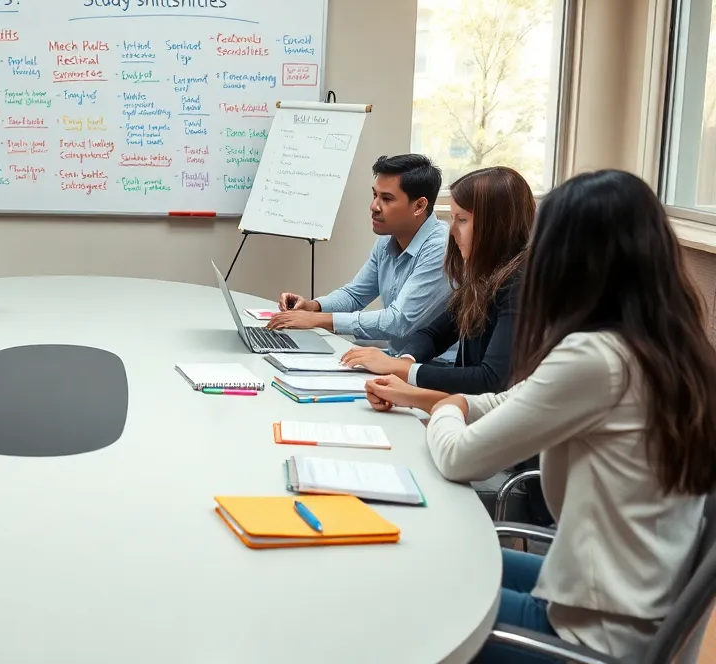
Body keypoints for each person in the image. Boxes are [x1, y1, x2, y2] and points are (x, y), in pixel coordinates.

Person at [375, 170, 716, 663]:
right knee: (434, 559)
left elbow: (458, 458)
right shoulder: (668, 348)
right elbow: (517, 398)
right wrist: (436, 398)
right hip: (622, 603)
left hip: (589, 633)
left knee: (406, 601)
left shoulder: (596, 358)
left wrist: (444, 408)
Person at [343, 167, 535, 411]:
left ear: (497, 224)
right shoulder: (483, 277)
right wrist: (404, 364)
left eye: (462, 220)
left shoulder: (520, 284)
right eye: (452, 218)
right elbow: (434, 334)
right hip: (465, 414)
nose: (452, 232)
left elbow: (491, 380)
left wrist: (403, 371)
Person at [269, 154, 449, 354]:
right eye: (375, 196)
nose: (374, 207)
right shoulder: (387, 240)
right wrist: (313, 307)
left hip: (433, 369)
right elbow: (355, 295)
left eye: (387, 199)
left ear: (419, 206)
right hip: (397, 358)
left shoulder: (440, 248)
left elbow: (398, 321)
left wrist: (318, 320)